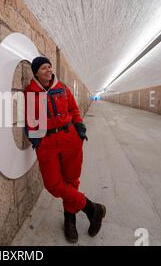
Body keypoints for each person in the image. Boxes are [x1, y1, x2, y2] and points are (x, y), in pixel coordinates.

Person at [24, 56, 106, 243]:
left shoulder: (62, 88)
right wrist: (35, 140)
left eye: (50, 67)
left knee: (71, 180)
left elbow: (74, 110)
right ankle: (92, 208)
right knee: (53, 184)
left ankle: (70, 220)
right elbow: (30, 120)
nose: (49, 70)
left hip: (70, 139)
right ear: (36, 72)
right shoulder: (30, 93)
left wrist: (80, 128)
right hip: (47, 144)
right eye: (44, 68)